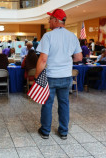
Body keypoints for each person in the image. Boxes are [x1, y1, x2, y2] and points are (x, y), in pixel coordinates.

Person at [35, 9, 82, 140]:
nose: (48, 21)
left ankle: (45, 131)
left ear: (56, 20)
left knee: (47, 104)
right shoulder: (72, 36)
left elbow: (43, 59)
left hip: (51, 77)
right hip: (66, 76)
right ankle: (63, 132)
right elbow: (78, 57)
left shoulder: (48, 36)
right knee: (64, 104)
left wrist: (36, 76)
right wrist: (65, 59)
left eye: (50, 19)